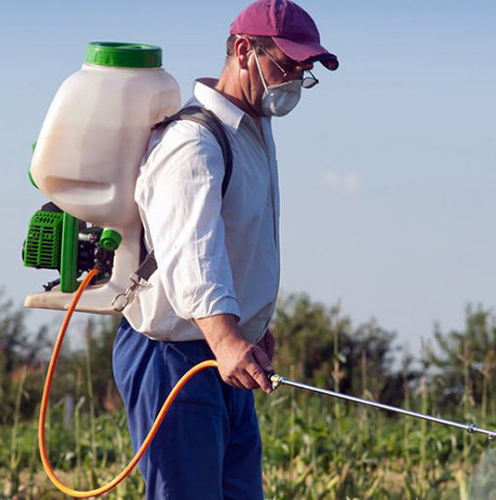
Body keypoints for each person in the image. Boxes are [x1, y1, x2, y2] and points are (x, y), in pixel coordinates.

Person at [112, 1, 338, 498]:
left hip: (220, 352)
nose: (295, 82)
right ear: (242, 50)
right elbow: (195, 251)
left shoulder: (253, 131)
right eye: (287, 65)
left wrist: (251, 325)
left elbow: (241, 242)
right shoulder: (194, 141)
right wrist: (227, 337)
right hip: (175, 357)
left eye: (304, 73)